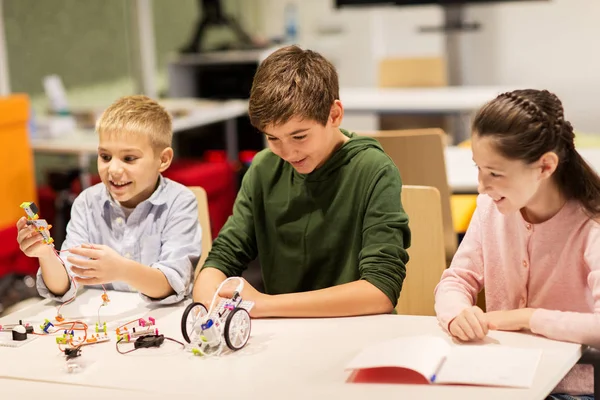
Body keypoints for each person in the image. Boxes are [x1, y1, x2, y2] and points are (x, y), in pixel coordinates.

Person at [193, 45, 410, 318]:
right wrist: (206, 306)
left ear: (334, 115)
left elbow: (380, 291)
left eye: (299, 137)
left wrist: (264, 305)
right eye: (273, 138)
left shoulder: (373, 169)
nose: (287, 152)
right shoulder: (263, 169)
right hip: (285, 330)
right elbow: (223, 257)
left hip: (357, 329)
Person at [435, 89, 600, 398]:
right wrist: (457, 313)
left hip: (571, 389)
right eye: (478, 169)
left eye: (495, 173)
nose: (482, 186)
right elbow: (457, 279)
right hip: (500, 377)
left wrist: (527, 317)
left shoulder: (591, 222)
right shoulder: (490, 208)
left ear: (546, 166)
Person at [17, 95, 201, 304]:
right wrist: (46, 254)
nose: (113, 169)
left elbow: (172, 283)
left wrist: (122, 270)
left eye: (129, 158)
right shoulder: (87, 202)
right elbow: (63, 285)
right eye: (105, 157)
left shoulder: (180, 202)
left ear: (163, 159)